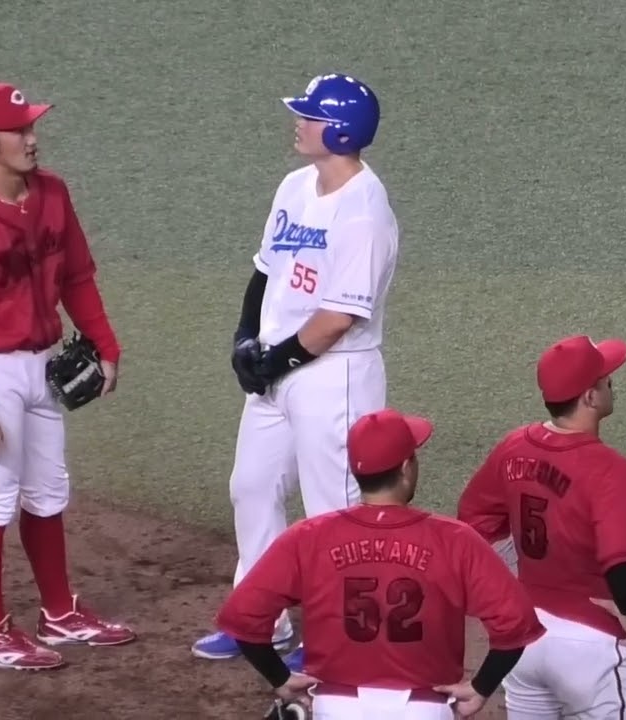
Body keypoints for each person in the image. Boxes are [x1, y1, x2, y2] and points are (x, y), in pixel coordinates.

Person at [192, 73, 401, 670]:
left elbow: (337, 319)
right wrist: (244, 338)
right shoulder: (294, 186)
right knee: (252, 487)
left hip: (334, 376)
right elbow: (266, 270)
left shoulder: (365, 213)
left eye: (309, 116)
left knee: (334, 509)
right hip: (280, 369)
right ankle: (260, 617)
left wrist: (274, 359)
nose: (298, 122)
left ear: (340, 132)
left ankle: (338, 637)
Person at [0, 82, 136, 670]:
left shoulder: (53, 193)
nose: (32, 138)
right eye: (19, 130)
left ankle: (59, 613)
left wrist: (105, 343)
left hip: (43, 365)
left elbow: (77, 277)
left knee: (47, 491)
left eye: (32, 126)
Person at [215, 408, 546, 720]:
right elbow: (515, 626)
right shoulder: (456, 539)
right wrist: (481, 687)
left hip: (336, 708)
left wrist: (280, 678)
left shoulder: (308, 537)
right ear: (406, 468)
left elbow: (243, 620)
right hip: (423, 710)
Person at [457, 334, 626, 719]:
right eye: (606, 380)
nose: (612, 383)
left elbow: (474, 524)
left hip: (525, 638)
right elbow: (621, 561)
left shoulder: (514, 446)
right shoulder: (610, 469)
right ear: (590, 397)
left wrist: (513, 581)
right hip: (589, 643)